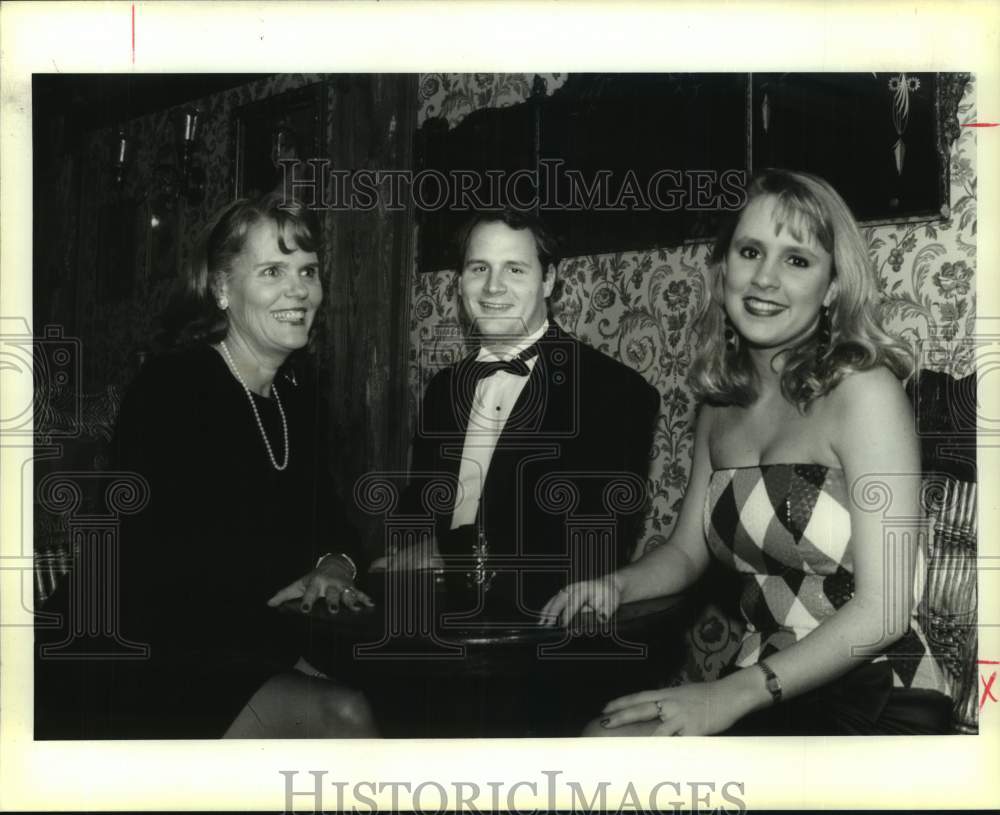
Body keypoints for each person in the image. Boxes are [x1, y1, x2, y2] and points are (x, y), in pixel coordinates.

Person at [541, 169, 953, 736]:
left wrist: (733, 693)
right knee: (601, 741)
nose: (765, 278)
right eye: (751, 251)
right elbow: (686, 553)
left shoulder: (866, 394)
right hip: (763, 680)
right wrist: (616, 585)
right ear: (723, 270)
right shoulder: (720, 403)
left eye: (797, 260)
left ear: (833, 286)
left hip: (874, 688)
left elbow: (885, 610)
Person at [36, 193, 378, 738]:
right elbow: (173, 564)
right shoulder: (171, 388)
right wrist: (296, 574)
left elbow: (331, 522)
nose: (299, 290)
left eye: (308, 271)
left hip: (239, 641)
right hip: (132, 653)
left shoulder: (297, 398)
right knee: (345, 715)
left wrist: (335, 564)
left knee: (386, 693)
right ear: (222, 288)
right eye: (272, 271)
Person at [383, 209, 660, 617]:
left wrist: (447, 553)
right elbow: (417, 511)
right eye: (479, 268)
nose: (493, 287)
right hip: (439, 621)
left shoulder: (615, 392)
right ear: (459, 282)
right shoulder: (443, 390)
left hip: (545, 634)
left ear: (548, 280)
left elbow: (590, 546)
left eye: (514, 269)